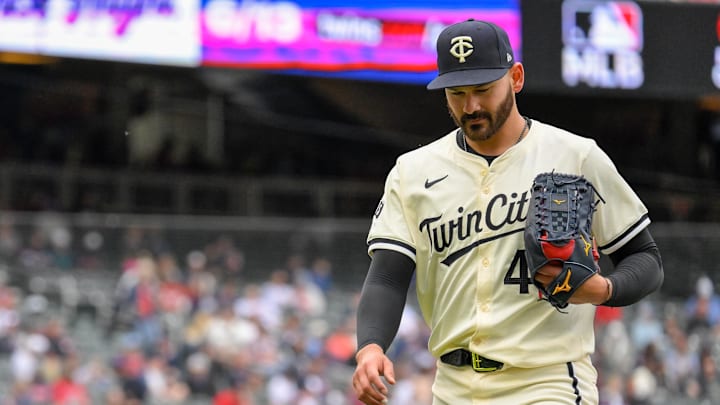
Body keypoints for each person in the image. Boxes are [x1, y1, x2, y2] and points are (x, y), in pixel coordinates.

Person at [351, 19, 664, 405]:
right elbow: (387, 277)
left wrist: (605, 289)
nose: (471, 106)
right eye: (457, 92)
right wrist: (370, 346)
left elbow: (645, 258)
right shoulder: (413, 171)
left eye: (483, 89)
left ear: (515, 78)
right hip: (452, 387)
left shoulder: (575, 155)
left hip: (547, 382)